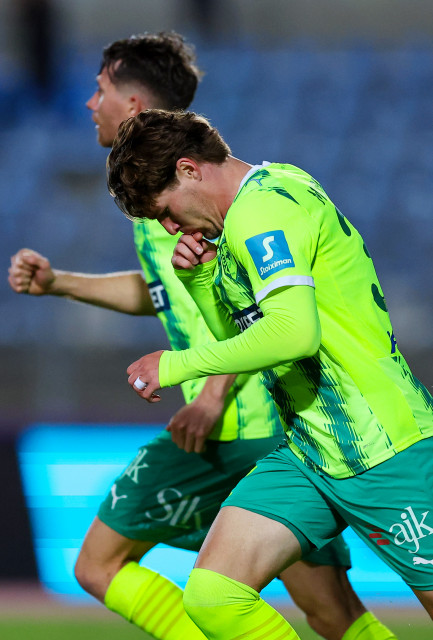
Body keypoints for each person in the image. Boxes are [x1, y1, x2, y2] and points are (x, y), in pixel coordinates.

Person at [8, 34, 397, 640]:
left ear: (133, 105)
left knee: (99, 564)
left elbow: (250, 304)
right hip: (259, 423)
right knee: (329, 612)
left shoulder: (193, 200)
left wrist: (212, 392)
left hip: (237, 424)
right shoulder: (168, 198)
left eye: (100, 89)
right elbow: (162, 292)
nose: (89, 103)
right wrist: (61, 283)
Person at [107, 108, 433, 638]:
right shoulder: (264, 195)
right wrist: (203, 281)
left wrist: (174, 365)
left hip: (384, 446)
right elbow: (248, 338)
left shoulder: (261, 213)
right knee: (214, 595)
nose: (169, 228)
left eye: (165, 211)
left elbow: (293, 334)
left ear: (189, 169)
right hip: (311, 453)